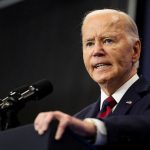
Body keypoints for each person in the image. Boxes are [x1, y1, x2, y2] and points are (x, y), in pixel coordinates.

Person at [34, 9, 150, 148]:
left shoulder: (83, 125)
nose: (96, 51)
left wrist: (95, 128)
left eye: (108, 41)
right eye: (89, 43)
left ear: (135, 51)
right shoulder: (79, 120)